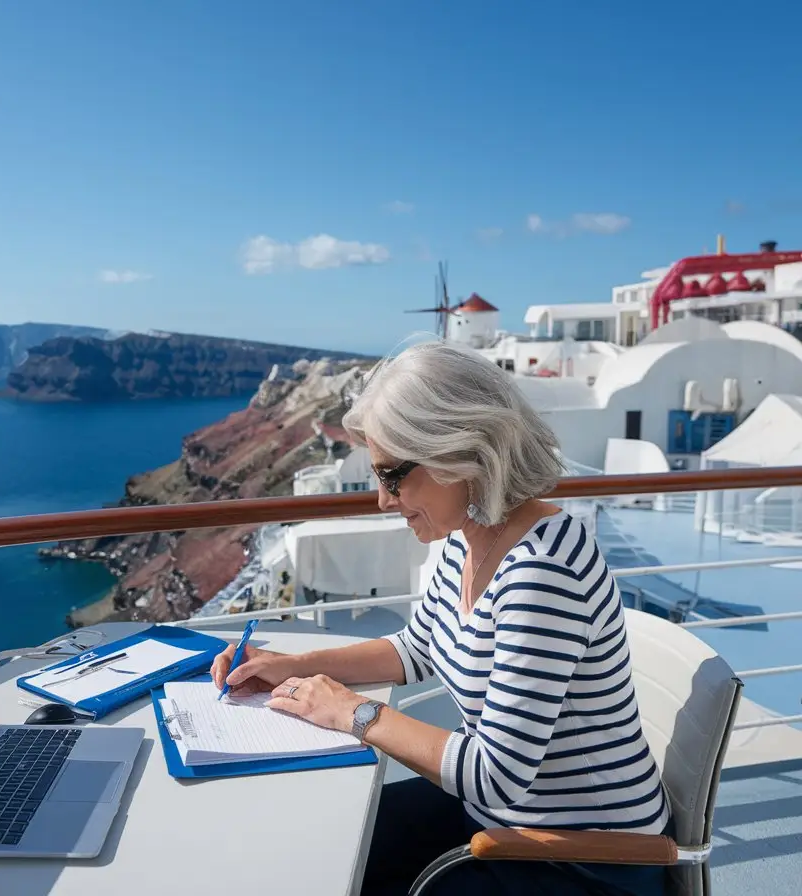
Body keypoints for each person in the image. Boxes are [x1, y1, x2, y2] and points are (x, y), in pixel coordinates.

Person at [211, 341, 671, 896]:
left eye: (391, 476)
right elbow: (419, 647)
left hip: (581, 858)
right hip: (499, 819)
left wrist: (351, 712)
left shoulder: (540, 573)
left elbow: (494, 776)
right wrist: (294, 666)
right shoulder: (470, 536)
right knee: (314, 845)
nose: (382, 500)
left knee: (340, 869)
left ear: (458, 451)